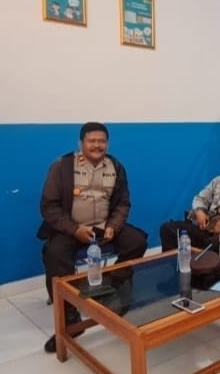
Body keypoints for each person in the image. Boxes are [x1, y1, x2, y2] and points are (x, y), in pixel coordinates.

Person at [37, 122, 148, 353]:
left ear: (107, 143)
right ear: (81, 143)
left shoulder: (116, 166)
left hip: (104, 227)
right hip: (71, 229)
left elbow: (123, 203)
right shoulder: (62, 166)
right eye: (92, 141)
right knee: (54, 254)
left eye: (102, 141)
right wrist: (74, 229)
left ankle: (110, 285)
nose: (97, 145)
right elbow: (49, 207)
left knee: (137, 241)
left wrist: (114, 225)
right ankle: (69, 320)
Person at [159, 146, 220, 251]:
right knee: (167, 228)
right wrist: (199, 211)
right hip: (208, 228)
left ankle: (204, 256)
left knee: (212, 243)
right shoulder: (218, 181)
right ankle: (175, 261)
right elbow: (200, 198)